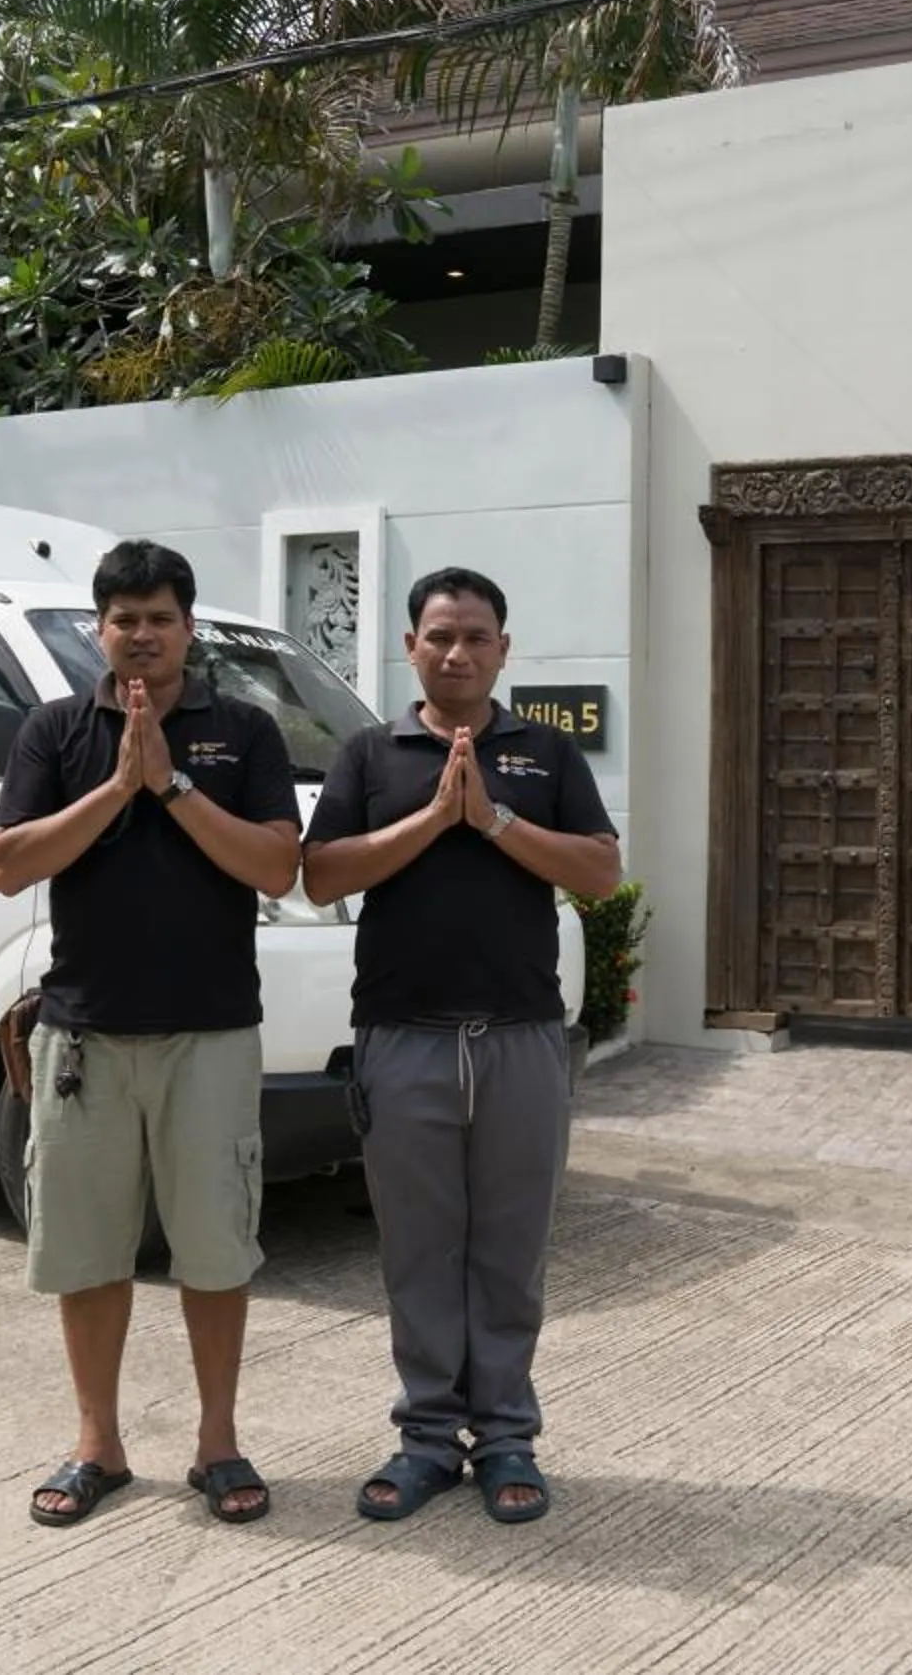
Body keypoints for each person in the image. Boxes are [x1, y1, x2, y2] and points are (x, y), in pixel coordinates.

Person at [0, 539, 303, 1530]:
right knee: (86, 1250)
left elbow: (277, 866)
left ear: (188, 628)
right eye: (124, 618)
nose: (141, 634)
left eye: (160, 617)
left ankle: (217, 1440)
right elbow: (7, 862)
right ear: (99, 630)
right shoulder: (55, 731)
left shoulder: (243, 731)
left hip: (208, 1034)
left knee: (214, 1247)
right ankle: (98, 1446)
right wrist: (119, 785)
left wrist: (171, 784)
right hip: (84, 1035)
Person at [303, 566, 622, 1526]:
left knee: (511, 1250)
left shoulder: (544, 756)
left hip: (521, 1040)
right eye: (439, 635)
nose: (457, 652)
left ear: (502, 650)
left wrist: (493, 819)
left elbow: (601, 874)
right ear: (411, 647)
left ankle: (509, 1438)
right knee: (419, 1251)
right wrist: (434, 819)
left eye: (476, 637)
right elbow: (321, 876)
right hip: (405, 1041)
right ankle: (428, 1440)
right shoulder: (369, 754)